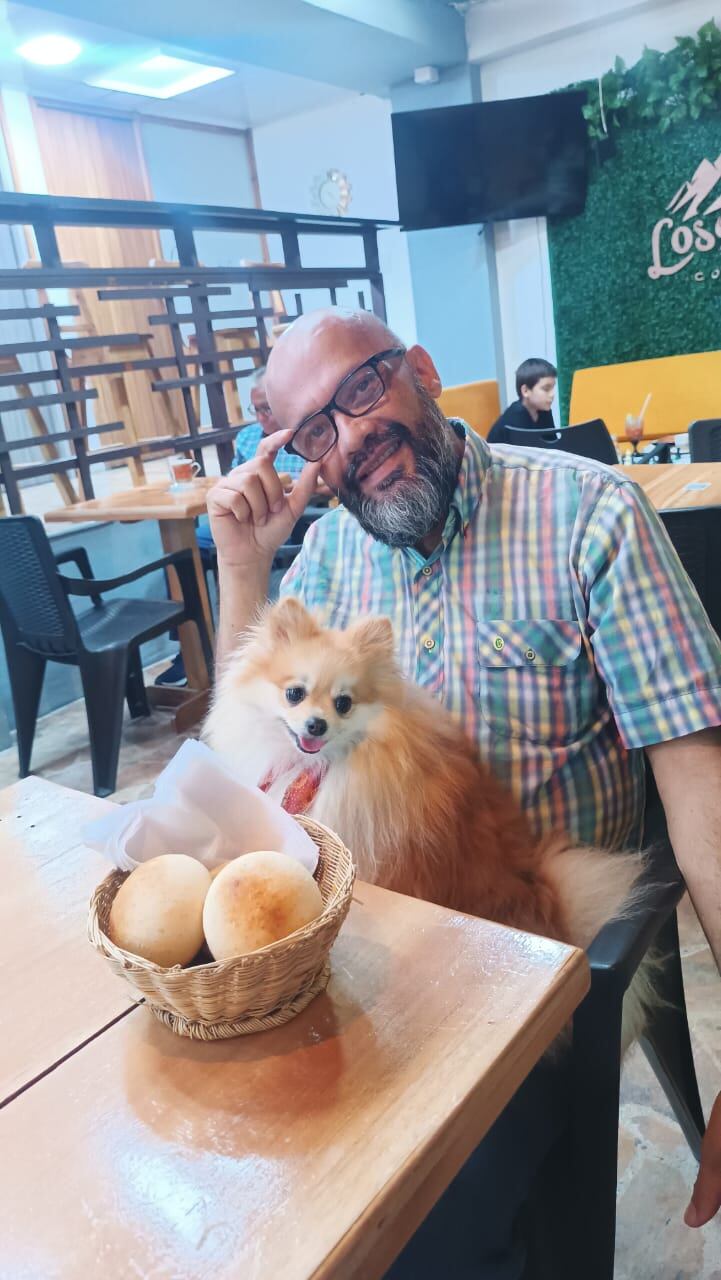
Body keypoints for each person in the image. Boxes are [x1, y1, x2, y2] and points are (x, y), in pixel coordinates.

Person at [207, 309, 721, 1274]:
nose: (353, 436)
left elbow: (699, 785)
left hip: (516, 973)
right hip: (354, 960)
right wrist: (244, 566)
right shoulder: (326, 557)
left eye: (362, 388)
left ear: (424, 371)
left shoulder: (591, 514)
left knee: (406, 1235)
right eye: (317, 429)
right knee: (239, 1176)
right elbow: (245, 752)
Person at [155, 364, 315, 688]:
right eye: (255, 410)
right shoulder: (248, 437)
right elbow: (234, 478)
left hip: (302, 514)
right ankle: (190, 647)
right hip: (254, 517)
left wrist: (305, 485)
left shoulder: (303, 435)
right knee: (192, 548)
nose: (261, 418)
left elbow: (322, 478)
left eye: (267, 409)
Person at [487, 356, 557, 444]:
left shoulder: (543, 410)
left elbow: (553, 444)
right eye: (546, 389)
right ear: (525, 391)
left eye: (553, 388)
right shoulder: (516, 416)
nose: (552, 394)